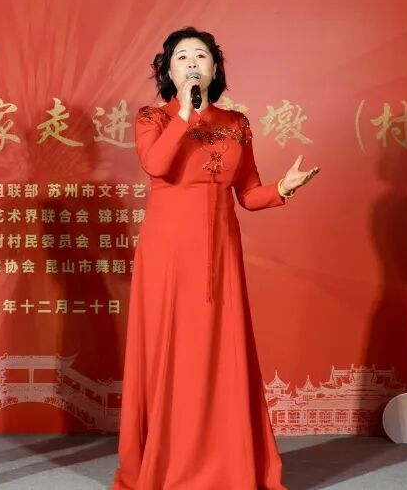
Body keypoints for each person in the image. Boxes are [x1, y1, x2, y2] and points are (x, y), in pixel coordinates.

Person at [112, 27, 319, 489]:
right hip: (167, 254)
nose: (192, 63)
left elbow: (249, 193)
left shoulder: (236, 123)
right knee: (170, 352)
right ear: (168, 71)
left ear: (214, 68)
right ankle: (167, 464)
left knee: (221, 352)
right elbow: (156, 164)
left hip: (220, 252)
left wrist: (283, 189)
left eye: (200, 56)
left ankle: (226, 463)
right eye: (182, 57)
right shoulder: (152, 118)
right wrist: (185, 112)